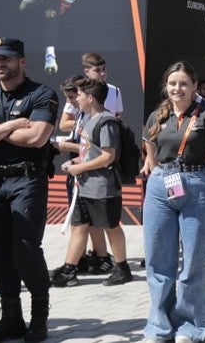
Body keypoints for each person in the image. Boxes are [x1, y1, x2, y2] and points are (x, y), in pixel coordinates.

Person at [0, 38, 60, 343]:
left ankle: (39, 319)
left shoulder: (41, 94)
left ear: (22, 61)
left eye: (6, 58)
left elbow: (37, 138)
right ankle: (11, 319)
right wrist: (10, 126)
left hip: (27, 180)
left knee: (26, 248)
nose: (0, 64)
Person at [141, 62, 205, 343]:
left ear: (193, 87)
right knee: (157, 261)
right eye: (173, 83)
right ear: (166, 86)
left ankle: (190, 327)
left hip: (196, 187)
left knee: (194, 263)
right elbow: (150, 156)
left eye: (184, 84)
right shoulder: (156, 116)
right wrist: (160, 176)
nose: (178, 89)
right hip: (159, 188)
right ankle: (159, 326)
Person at [50, 77, 132, 287]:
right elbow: (91, 151)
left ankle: (122, 268)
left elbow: (108, 156)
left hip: (103, 188)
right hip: (84, 187)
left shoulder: (106, 121)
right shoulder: (86, 120)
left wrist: (80, 167)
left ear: (91, 98)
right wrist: (77, 161)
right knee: (79, 226)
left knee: (111, 227)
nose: (75, 99)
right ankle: (69, 270)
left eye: (78, 95)